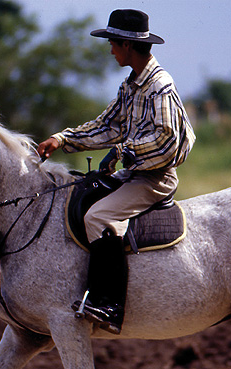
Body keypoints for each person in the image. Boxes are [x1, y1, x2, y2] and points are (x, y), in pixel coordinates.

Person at [37, 9, 195, 334]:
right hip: (136, 174)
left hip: (155, 179)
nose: (110, 50)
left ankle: (109, 304)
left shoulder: (159, 86)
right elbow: (107, 126)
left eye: (112, 43)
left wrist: (124, 152)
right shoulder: (132, 85)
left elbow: (167, 138)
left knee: (97, 217)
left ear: (126, 45)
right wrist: (63, 138)